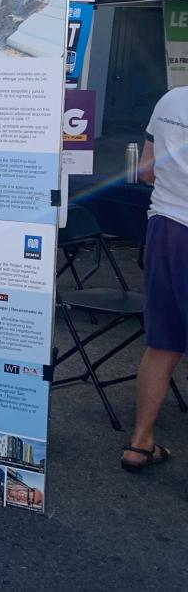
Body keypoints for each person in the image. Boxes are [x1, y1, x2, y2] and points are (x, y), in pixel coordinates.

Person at [121, 85, 188, 472]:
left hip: (165, 229)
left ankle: (139, 443)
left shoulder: (169, 100)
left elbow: (145, 170)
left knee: (163, 344)